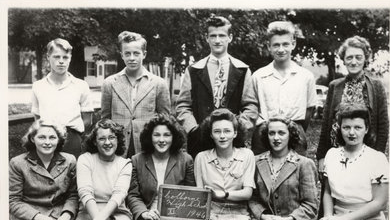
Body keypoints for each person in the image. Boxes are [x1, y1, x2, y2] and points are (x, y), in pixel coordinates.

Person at [295, 104, 388, 220]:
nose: (352, 133)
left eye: (358, 127)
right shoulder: (332, 154)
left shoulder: (376, 158)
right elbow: (327, 192)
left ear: (367, 129)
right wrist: (327, 217)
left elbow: (380, 203)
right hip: (336, 217)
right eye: (346, 127)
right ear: (340, 128)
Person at [176, 15, 258, 158]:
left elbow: (250, 105)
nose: (217, 40)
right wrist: (194, 129)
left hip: (232, 141)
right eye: (213, 36)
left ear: (230, 37)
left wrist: (238, 129)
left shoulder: (242, 70)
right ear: (207, 38)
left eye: (222, 35)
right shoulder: (194, 70)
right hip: (200, 141)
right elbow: (183, 105)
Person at [235, 116, 319, 220]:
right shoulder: (256, 161)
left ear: (290, 135)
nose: (276, 138)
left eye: (281, 133)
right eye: (271, 133)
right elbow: (252, 197)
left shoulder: (303, 164)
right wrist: (262, 215)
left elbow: (310, 205)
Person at [316, 35, 389, 179]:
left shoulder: (376, 86)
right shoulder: (335, 86)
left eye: (358, 57)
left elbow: (383, 125)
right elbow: (326, 124)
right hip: (336, 152)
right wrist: (321, 156)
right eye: (349, 58)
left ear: (365, 59)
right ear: (343, 59)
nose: (353, 62)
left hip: (365, 153)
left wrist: (378, 156)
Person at [126, 114, 195, 220]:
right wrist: (144, 212)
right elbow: (133, 194)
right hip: (149, 212)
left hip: (177, 215)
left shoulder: (185, 160)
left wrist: (179, 213)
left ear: (174, 137)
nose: (162, 140)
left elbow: (191, 193)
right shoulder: (137, 160)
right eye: (156, 135)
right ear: (149, 137)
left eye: (167, 135)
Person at [191, 108, 255, 220]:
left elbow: (248, 192)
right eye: (217, 131)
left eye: (227, 131)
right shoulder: (201, 158)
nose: (222, 136)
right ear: (211, 134)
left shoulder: (246, 155)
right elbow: (199, 193)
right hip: (211, 213)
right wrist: (201, 217)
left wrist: (223, 194)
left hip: (236, 213)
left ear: (235, 133)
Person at [9, 120, 79, 220]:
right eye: (41, 137)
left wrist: (66, 214)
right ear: (32, 138)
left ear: (59, 140)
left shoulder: (70, 160)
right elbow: (13, 200)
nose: (47, 142)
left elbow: (73, 194)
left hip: (59, 216)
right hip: (29, 219)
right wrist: (38, 217)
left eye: (52, 137)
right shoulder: (18, 163)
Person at [101, 31, 171, 158]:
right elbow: (105, 120)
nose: (131, 58)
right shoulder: (110, 83)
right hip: (118, 149)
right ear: (122, 55)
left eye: (136, 53)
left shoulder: (158, 84)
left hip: (147, 148)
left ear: (144, 54)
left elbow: (165, 121)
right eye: (127, 53)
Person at [252, 21, 317, 155]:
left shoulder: (305, 76)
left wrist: (295, 128)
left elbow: (309, 109)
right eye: (276, 45)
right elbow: (252, 107)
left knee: (295, 171)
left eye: (285, 44)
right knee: (261, 171)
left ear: (293, 44)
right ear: (269, 46)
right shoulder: (258, 76)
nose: (281, 49)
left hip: (295, 132)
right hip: (264, 134)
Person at [76, 119, 136, 220]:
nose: (107, 142)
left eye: (112, 138)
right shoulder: (85, 159)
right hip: (90, 212)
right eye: (102, 139)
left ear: (118, 140)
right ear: (94, 141)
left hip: (117, 212)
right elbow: (85, 192)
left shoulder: (125, 163)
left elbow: (119, 195)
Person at [31, 38, 93, 159]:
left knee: (72, 174)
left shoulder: (81, 85)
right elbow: (37, 117)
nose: (61, 61)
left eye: (65, 57)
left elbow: (88, 120)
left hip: (72, 140)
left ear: (70, 58)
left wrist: (76, 139)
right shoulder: (38, 86)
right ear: (48, 57)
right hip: (47, 138)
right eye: (56, 57)